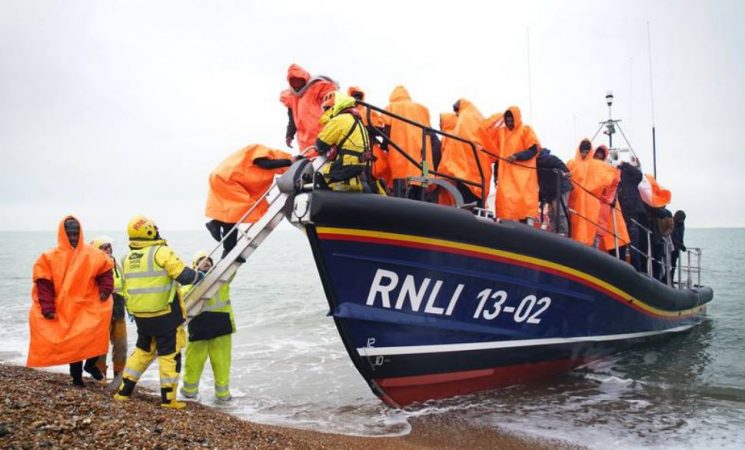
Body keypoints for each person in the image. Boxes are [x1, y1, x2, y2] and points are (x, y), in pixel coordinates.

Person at [114, 215, 203, 409]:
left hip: (141, 317)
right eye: (153, 227)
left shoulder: (127, 258)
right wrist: (200, 275)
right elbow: (183, 275)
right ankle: (168, 400)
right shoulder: (161, 252)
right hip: (165, 315)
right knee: (170, 354)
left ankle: (123, 392)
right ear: (148, 231)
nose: (156, 229)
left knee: (142, 351)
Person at [28, 216, 113, 387]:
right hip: (65, 307)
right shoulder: (49, 257)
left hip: (89, 304)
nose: (73, 237)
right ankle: (76, 378)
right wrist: (47, 307)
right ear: (62, 234)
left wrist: (105, 290)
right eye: (69, 234)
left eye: (75, 233)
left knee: (96, 336)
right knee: (74, 344)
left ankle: (91, 365)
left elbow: (106, 272)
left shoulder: (93, 254)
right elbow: (43, 284)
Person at [205, 144, 295, 259]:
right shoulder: (262, 150)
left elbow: (254, 174)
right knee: (238, 212)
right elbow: (266, 164)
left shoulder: (257, 155)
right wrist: (289, 162)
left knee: (232, 217)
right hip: (227, 179)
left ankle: (229, 251)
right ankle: (216, 223)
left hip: (223, 178)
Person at [180, 251, 236, 402]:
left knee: (222, 363)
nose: (206, 263)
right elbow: (183, 297)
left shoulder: (221, 279)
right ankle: (189, 392)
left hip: (221, 327)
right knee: (193, 362)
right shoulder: (189, 284)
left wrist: (231, 254)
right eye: (202, 261)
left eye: (209, 261)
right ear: (195, 265)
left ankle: (223, 395)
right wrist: (196, 281)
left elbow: (232, 269)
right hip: (199, 327)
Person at [437, 99, 497, 207]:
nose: (456, 114)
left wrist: (439, 174)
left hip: (465, 171)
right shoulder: (477, 118)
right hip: (478, 168)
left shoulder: (461, 123)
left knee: (466, 199)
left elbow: (449, 156)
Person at [380, 86, 435, 198]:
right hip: (423, 157)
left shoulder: (391, 107)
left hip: (401, 155)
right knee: (422, 182)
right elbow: (430, 131)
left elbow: (386, 130)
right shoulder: (423, 109)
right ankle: (422, 201)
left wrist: (384, 145)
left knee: (401, 185)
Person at [315, 91, 373, 192]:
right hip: (360, 169)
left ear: (335, 106)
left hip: (345, 168)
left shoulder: (339, 120)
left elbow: (320, 145)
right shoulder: (357, 120)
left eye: (327, 108)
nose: (326, 112)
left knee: (319, 178)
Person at [90, 236, 128, 381]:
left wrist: (129, 308)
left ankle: (119, 376)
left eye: (109, 246)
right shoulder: (92, 267)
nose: (108, 249)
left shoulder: (117, 265)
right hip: (101, 310)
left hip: (118, 308)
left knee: (121, 345)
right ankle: (100, 376)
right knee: (100, 346)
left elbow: (125, 287)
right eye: (104, 247)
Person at [494, 106, 541, 222]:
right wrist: (495, 176)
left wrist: (516, 156)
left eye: (512, 121)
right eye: (507, 121)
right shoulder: (501, 133)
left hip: (523, 179)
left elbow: (533, 150)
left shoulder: (526, 130)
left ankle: (524, 230)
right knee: (505, 206)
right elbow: (497, 156)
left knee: (523, 207)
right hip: (506, 177)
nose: (509, 124)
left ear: (517, 118)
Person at [279, 64, 338, 152]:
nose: (297, 85)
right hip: (305, 141)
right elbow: (292, 120)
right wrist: (289, 135)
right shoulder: (290, 98)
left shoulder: (318, 87)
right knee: (310, 163)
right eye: (294, 83)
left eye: (299, 81)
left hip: (324, 135)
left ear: (305, 79)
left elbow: (332, 106)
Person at [567, 140, 615, 246]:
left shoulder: (596, 165)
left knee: (589, 231)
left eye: (587, 151)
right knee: (575, 229)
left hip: (590, 206)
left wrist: (607, 196)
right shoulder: (571, 163)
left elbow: (613, 176)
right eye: (583, 151)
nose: (584, 154)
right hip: (574, 203)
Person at [348, 86, 390, 187]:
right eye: (354, 96)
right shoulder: (346, 112)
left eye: (359, 96)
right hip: (354, 149)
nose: (357, 98)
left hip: (369, 147)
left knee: (380, 168)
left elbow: (380, 126)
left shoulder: (368, 111)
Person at [593, 146, 631, 257]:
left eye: (601, 154)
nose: (598, 156)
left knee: (617, 246)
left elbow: (612, 188)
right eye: (597, 154)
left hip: (610, 213)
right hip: (597, 213)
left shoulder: (611, 173)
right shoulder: (592, 171)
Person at [617, 158, 647, 271]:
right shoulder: (615, 176)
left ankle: (636, 269)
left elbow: (638, 174)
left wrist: (625, 165)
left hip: (632, 212)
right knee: (621, 243)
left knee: (634, 242)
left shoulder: (632, 178)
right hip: (619, 213)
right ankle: (621, 267)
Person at [536, 148, 572, 234]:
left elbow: (557, 162)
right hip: (551, 191)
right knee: (551, 214)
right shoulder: (536, 163)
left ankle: (563, 234)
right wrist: (539, 197)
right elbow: (543, 183)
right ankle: (554, 233)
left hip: (560, 188)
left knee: (560, 212)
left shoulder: (545, 158)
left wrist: (565, 171)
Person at [671, 210, 687, 283]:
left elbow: (681, 237)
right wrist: (680, 245)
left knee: (674, 265)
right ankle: (667, 280)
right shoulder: (672, 222)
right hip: (671, 247)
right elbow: (672, 237)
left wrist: (681, 245)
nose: (682, 221)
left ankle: (671, 280)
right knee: (669, 265)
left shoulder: (681, 225)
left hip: (676, 248)